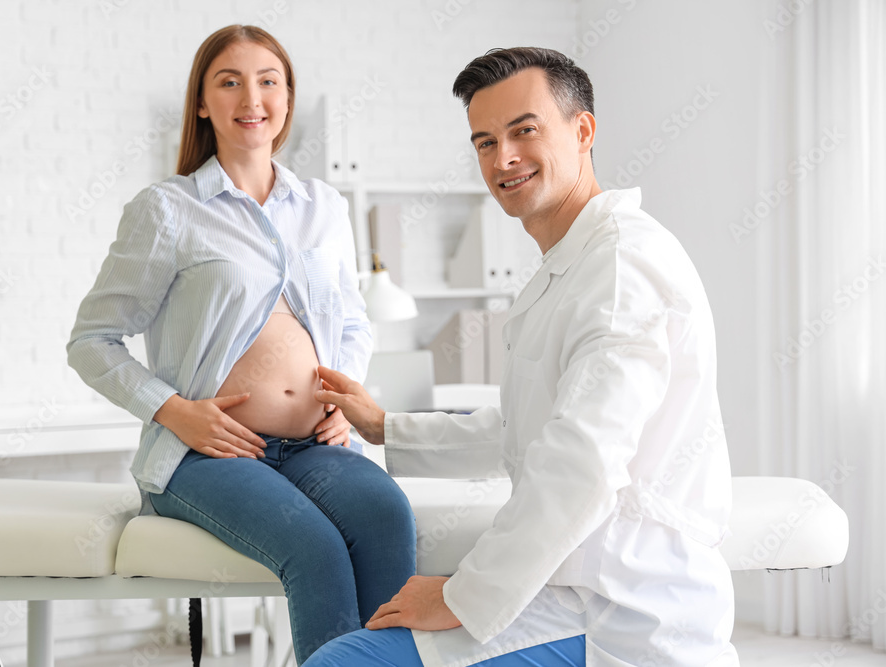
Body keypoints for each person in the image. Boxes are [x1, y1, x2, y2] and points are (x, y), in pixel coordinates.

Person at [304, 47, 740, 666]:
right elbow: (526, 432)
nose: (502, 158)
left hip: (621, 610)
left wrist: (463, 595)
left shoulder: (619, 270)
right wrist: (383, 427)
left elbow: (580, 464)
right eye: (484, 141)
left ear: (582, 130)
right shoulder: (570, 266)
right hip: (573, 589)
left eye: (523, 131)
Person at [66, 25, 416, 664]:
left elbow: (355, 323)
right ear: (202, 102)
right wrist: (175, 412)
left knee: (386, 515)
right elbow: (92, 341)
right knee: (313, 547)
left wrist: (344, 395)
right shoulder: (167, 210)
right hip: (204, 457)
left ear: (287, 98)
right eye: (229, 81)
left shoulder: (324, 207)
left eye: (268, 81)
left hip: (314, 444)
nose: (251, 97)